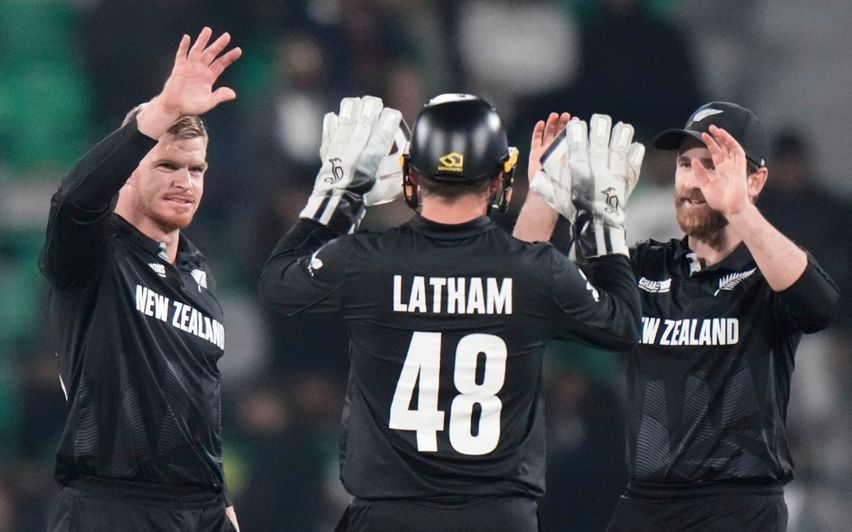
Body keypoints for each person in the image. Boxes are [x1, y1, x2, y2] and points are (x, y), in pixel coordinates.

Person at [258, 94, 643, 531]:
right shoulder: (536, 273)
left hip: (388, 518)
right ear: (500, 178)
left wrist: (339, 193)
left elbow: (278, 284)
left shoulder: (363, 262)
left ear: (410, 173)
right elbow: (622, 324)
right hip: (498, 519)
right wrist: (598, 216)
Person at [514, 101, 841, 531]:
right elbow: (523, 295)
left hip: (740, 510)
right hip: (646, 505)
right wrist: (544, 195)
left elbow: (820, 306)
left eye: (713, 165)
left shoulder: (764, 275)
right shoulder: (645, 267)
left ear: (755, 180)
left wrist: (741, 210)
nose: (693, 179)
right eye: (685, 164)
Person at [39, 27, 242, 531]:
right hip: (112, 505)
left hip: (201, 510)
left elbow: (199, 404)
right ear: (129, 170)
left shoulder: (198, 274)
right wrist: (163, 111)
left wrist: (224, 505)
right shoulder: (95, 252)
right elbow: (73, 201)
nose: (185, 182)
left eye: (196, 169)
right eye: (168, 165)